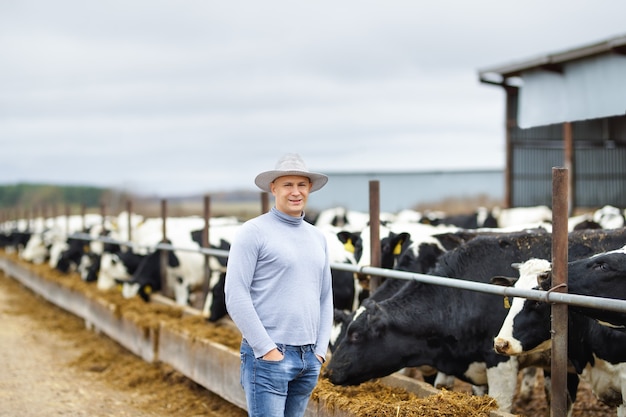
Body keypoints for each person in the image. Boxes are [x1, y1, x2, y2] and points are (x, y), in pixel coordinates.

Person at [224, 153, 334, 417]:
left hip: (308, 358)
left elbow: (325, 297)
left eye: (302, 185)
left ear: (309, 189)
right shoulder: (253, 232)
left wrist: (319, 351)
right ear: (273, 188)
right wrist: (266, 350)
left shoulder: (317, 237)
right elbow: (235, 294)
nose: (295, 192)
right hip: (270, 355)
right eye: (288, 185)